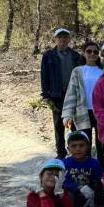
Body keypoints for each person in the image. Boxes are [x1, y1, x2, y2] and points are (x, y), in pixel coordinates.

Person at [41, 27, 82, 159]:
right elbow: (44, 76)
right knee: (59, 125)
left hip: (74, 94)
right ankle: (61, 153)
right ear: (56, 39)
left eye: (65, 37)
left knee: (75, 124)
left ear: (69, 39)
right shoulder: (48, 56)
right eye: (60, 37)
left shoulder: (76, 56)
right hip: (57, 95)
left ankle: (76, 151)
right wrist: (46, 96)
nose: (63, 39)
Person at [62, 41, 103, 162]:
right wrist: (67, 115)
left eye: (95, 52)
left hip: (100, 112)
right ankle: (84, 173)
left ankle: (100, 173)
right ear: (84, 53)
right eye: (89, 51)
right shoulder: (78, 71)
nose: (92, 54)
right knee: (83, 144)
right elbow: (71, 93)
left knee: (101, 144)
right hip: (82, 112)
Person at [62, 131, 102, 207]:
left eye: (81, 145)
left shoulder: (94, 163)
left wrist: (94, 191)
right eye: (74, 146)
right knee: (72, 198)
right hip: (73, 196)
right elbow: (62, 182)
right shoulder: (65, 163)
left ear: (88, 147)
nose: (78, 149)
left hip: (90, 197)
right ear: (68, 148)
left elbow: (101, 180)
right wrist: (78, 188)